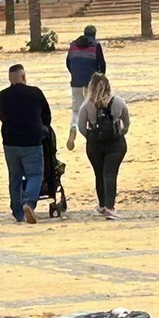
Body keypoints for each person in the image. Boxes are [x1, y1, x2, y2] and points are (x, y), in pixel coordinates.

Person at [0, 63, 51, 224]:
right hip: (32, 141)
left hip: (10, 142)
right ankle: (29, 202)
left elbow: (2, 116)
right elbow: (46, 115)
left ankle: (18, 212)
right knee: (35, 175)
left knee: (15, 177)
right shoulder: (35, 93)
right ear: (23, 76)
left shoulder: (1, 96)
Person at [75, 72, 131, 219]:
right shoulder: (117, 101)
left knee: (99, 174)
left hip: (95, 145)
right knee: (110, 174)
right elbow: (126, 121)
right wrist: (121, 133)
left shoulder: (86, 105)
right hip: (115, 144)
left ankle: (102, 204)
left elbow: (81, 127)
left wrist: (91, 136)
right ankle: (110, 207)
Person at [63, 25, 106, 149]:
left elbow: (68, 63)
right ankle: (93, 137)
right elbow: (101, 65)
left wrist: (75, 74)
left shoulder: (73, 46)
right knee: (93, 108)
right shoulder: (95, 46)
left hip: (76, 82)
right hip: (91, 83)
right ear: (94, 34)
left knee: (76, 111)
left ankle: (73, 130)